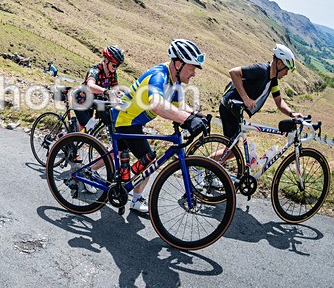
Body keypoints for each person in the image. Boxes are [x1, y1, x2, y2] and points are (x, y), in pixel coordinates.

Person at [111, 39, 209, 214]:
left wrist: (197, 117)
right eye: (192, 68)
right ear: (178, 63)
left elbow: (181, 107)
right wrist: (188, 120)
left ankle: (119, 183)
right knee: (148, 160)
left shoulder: (175, 81)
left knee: (120, 156)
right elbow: (157, 104)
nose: (194, 73)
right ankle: (132, 195)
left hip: (134, 122)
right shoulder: (159, 75)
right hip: (123, 119)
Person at [218, 43, 303, 145]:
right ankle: (202, 161)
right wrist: (246, 98)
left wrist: (292, 114)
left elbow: (279, 101)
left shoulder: (273, 80)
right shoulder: (261, 70)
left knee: (231, 150)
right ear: (279, 63)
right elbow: (234, 72)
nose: (286, 73)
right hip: (228, 106)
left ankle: (206, 161)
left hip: (235, 109)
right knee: (231, 150)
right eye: (286, 69)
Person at [73, 45, 125, 130]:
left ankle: (71, 136)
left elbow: (115, 90)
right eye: (114, 65)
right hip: (81, 99)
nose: (116, 68)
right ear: (107, 60)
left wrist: (120, 95)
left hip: (94, 101)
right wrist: (106, 91)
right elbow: (90, 85)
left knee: (96, 125)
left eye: (118, 65)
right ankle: (66, 140)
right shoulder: (95, 70)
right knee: (86, 126)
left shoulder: (113, 74)